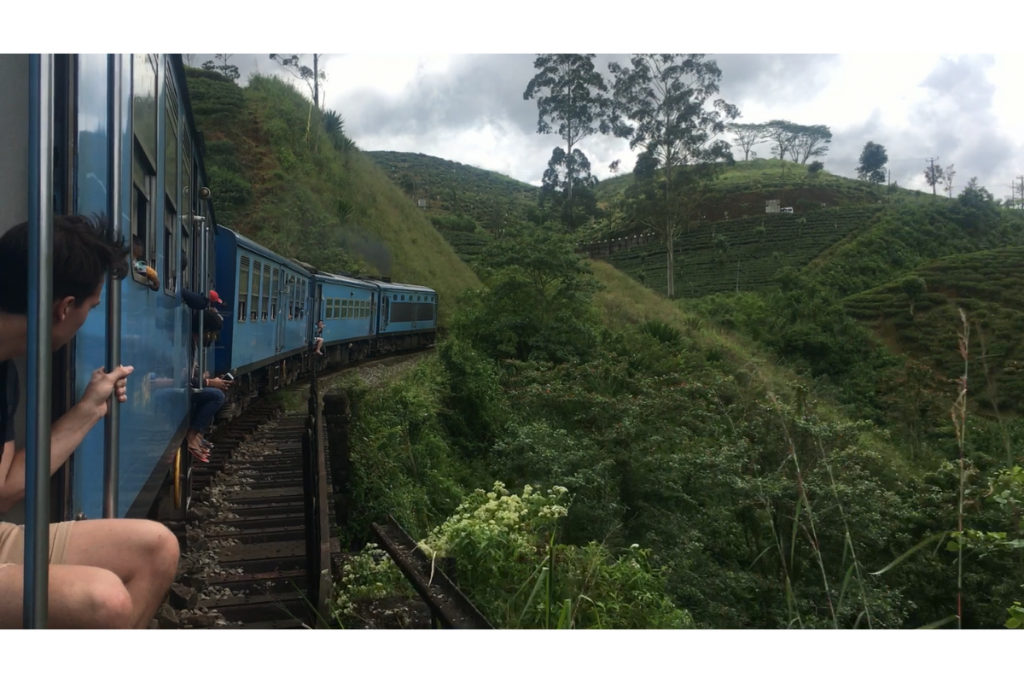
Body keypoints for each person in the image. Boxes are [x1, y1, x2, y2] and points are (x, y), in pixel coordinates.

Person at [0, 215, 179, 628]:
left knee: (157, 547)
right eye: (90, 307)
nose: (87, 320)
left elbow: (5, 487)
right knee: (106, 600)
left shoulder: (5, 372)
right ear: (64, 308)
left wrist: (89, 409)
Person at [187, 310, 231, 463]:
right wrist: (209, 382)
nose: (210, 338)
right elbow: (183, 379)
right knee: (217, 396)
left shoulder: (191, 343)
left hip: (185, 388)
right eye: (210, 333)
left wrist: (203, 377)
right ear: (204, 330)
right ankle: (192, 436)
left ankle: (198, 435)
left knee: (212, 393)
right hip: (179, 390)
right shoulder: (188, 345)